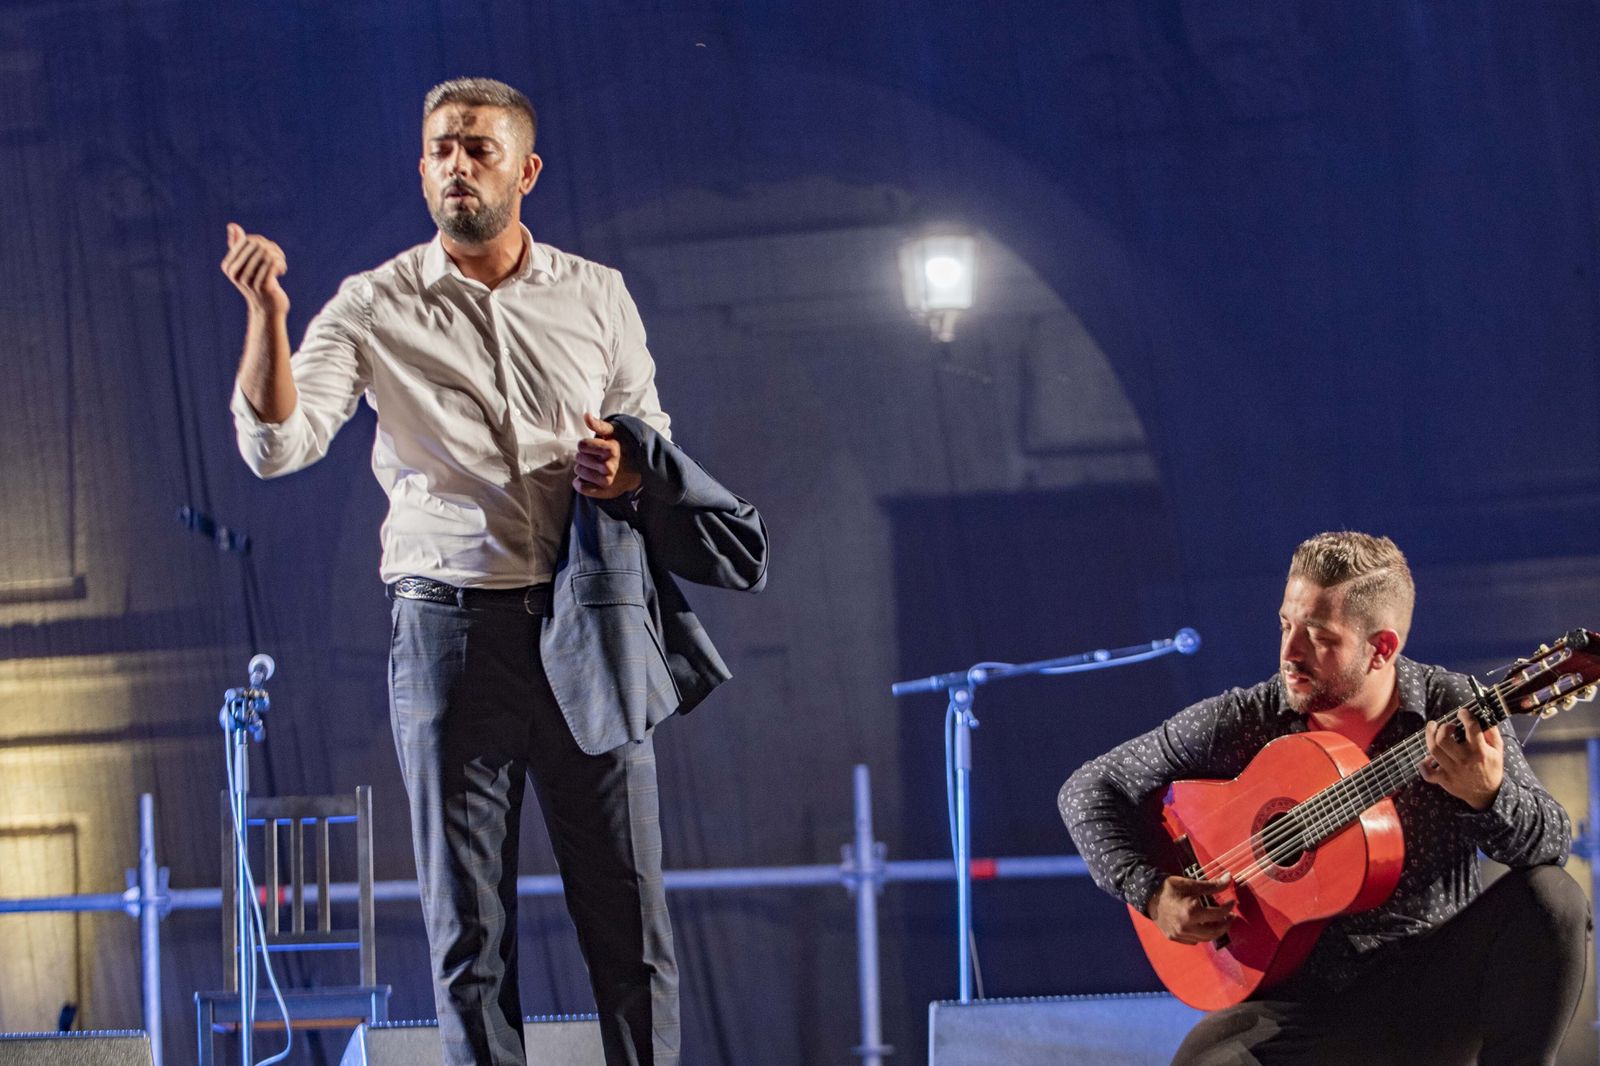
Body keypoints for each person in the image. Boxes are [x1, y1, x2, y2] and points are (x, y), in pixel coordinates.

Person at [221, 76, 767, 1066]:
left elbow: (650, 436)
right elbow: (277, 447)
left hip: (584, 618)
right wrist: (267, 314)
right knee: (467, 932)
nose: (456, 165)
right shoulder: (374, 303)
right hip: (448, 637)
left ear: (526, 168)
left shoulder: (594, 293)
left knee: (628, 920)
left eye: (476, 147)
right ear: (420, 167)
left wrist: (625, 466)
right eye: (439, 149)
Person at [1059, 532, 1589, 1065]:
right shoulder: (1249, 719)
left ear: (1381, 648)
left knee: (1554, 898)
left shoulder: (1450, 709)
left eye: (1318, 636)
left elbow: (1550, 843)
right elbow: (1089, 789)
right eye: (1286, 624)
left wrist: (1488, 795)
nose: (1290, 652)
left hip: (1429, 998)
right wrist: (1150, 892)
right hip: (1298, 1009)